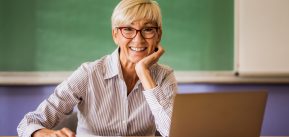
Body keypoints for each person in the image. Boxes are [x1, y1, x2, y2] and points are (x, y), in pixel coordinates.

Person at [17, 0, 177, 136]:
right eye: (128, 29)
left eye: (148, 29)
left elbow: (173, 132)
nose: (138, 39)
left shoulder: (164, 76)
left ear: (158, 35)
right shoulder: (88, 74)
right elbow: (29, 122)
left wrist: (144, 72)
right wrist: (41, 133)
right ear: (115, 35)